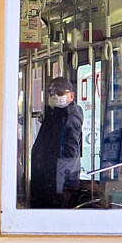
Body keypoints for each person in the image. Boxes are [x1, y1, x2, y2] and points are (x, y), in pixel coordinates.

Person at [29, 77, 83, 208]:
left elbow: (67, 153)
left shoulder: (69, 116)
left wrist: (59, 185)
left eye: (59, 93)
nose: (54, 96)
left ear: (71, 96)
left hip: (55, 183)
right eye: (51, 93)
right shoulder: (55, 112)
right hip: (47, 179)